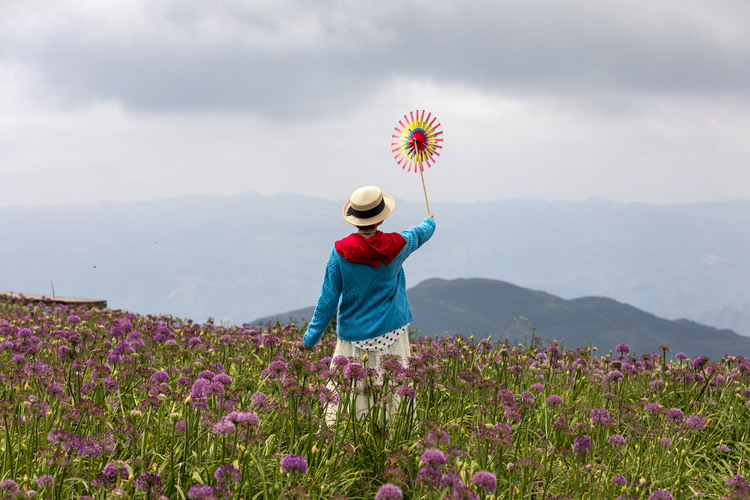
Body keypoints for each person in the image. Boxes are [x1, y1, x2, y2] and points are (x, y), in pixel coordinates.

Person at [301, 185, 435, 420]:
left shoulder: (340, 252)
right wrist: (429, 222)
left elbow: (328, 300)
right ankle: (392, 440)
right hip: (392, 334)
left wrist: (310, 339)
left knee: (350, 397)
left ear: (354, 219)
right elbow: (420, 233)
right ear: (381, 219)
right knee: (392, 392)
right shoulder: (398, 245)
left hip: (354, 338)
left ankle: (348, 442)